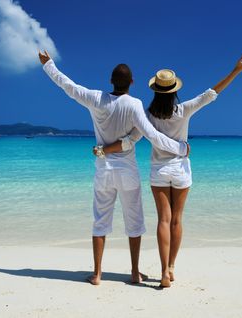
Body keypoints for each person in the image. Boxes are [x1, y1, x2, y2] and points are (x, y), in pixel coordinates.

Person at [96, 54, 242, 287]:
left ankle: (162, 272)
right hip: (180, 170)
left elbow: (130, 141)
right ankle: (171, 268)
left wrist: (104, 150)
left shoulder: (147, 115)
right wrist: (236, 71)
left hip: (159, 171)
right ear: (174, 90)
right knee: (177, 221)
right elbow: (212, 94)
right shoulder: (185, 110)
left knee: (163, 220)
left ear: (155, 90)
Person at [38, 50, 189, 285]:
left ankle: (97, 274)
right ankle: (135, 272)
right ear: (132, 82)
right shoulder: (135, 105)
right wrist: (181, 149)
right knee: (135, 222)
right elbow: (152, 135)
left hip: (104, 171)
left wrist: (48, 65)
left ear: (110, 81)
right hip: (128, 171)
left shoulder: (95, 99)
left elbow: (67, 85)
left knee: (100, 220)